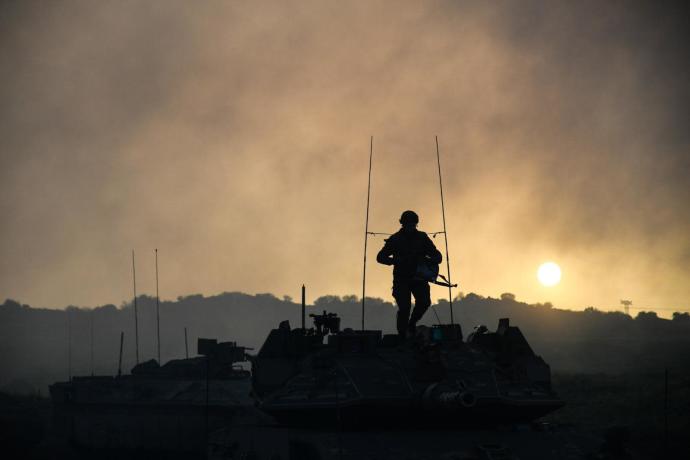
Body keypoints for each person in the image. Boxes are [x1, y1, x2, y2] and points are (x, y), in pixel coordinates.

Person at [376, 210, 442, 339]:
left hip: (419, 278)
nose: (411, 227)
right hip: (402, 279)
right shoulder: (395, 239)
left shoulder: (422, 238)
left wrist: (425, 261)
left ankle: (411, 324)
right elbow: (380, 257)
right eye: (408, 224)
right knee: (404, 307)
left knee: (424, 302)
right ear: (403, 224)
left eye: (413, 224)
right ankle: (402, 335)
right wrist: (397, 261)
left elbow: (437, 256)